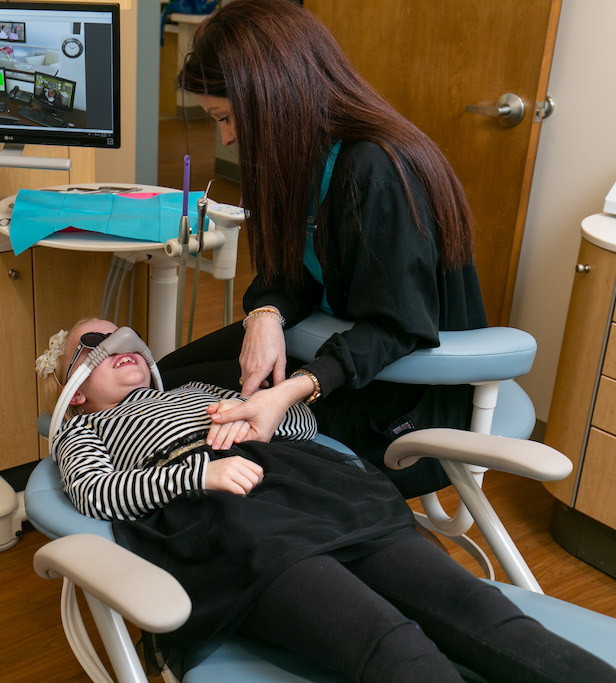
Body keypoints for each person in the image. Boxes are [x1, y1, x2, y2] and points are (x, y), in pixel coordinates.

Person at [41, 318, 616, 683]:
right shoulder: (83, 430)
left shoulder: (195, 390)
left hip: (320, 494)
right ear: (75, 391)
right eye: (91, 346)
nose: (117, 347)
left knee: (480, 614)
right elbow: (98, 493)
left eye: (123, 338)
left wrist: (259, 414)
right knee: (390, 645)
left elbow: (298, 428)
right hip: (233, 528)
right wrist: (199, 476)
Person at [157, 0, 487, 498]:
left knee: (205, 431)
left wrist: (292, 392)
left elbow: (398, 327)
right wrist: (265, 315)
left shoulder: (375, 171)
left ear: (273, 97)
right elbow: (289, 274)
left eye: (227, 118)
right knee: (161, 380)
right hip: (328, 345)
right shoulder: (292, 153)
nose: (226, 138)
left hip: (403, 392)